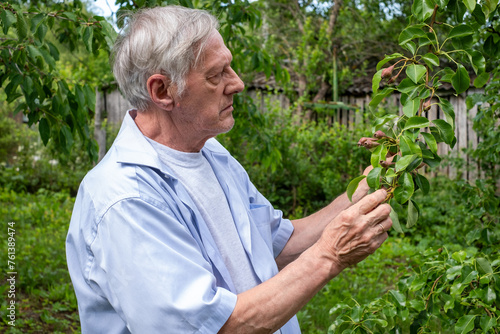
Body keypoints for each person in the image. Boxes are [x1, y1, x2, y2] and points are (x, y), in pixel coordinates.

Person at [66, 5, 392, 334]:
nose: (237, 83)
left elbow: (276, 245)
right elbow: (215, 328)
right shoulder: (125, 201)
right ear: (162, 91)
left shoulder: (212, 154)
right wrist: (330, 255)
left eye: (229, 68)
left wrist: (363, 188)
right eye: (216, 75)